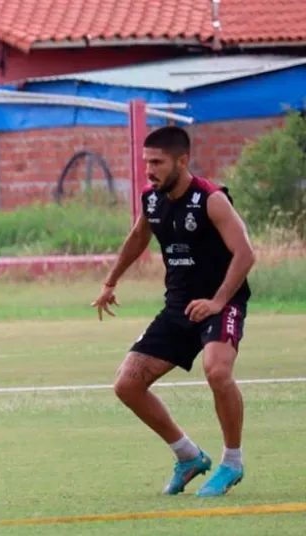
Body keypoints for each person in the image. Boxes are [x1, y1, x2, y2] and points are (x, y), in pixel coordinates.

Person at [92, 126, 255, 498]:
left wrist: (216, 302)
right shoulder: (152, 200)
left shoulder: (211, 200)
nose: (149, 169)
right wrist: (110, 282)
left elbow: (245, 253)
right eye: (146, 161)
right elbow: (138, 238)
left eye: (157, 162)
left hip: (221, 303)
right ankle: (188, 456)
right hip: (178, 307)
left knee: (217, 371)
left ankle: (232, 462)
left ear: (182, 161)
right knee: (127, 385)